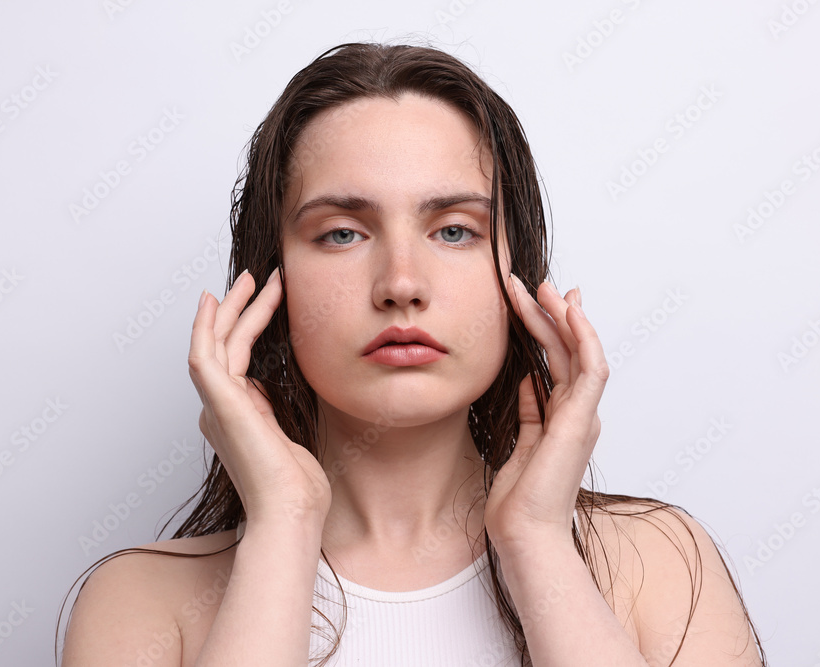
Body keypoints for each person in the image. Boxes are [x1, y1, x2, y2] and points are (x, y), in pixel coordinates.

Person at [58, 41, 767, 666]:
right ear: (269, 282)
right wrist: (283, 522)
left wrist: (536, 541)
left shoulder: (659, 561)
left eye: (455, 230)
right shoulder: (140, 601)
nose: (401, 283)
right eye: (342, 233)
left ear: (516, 275)